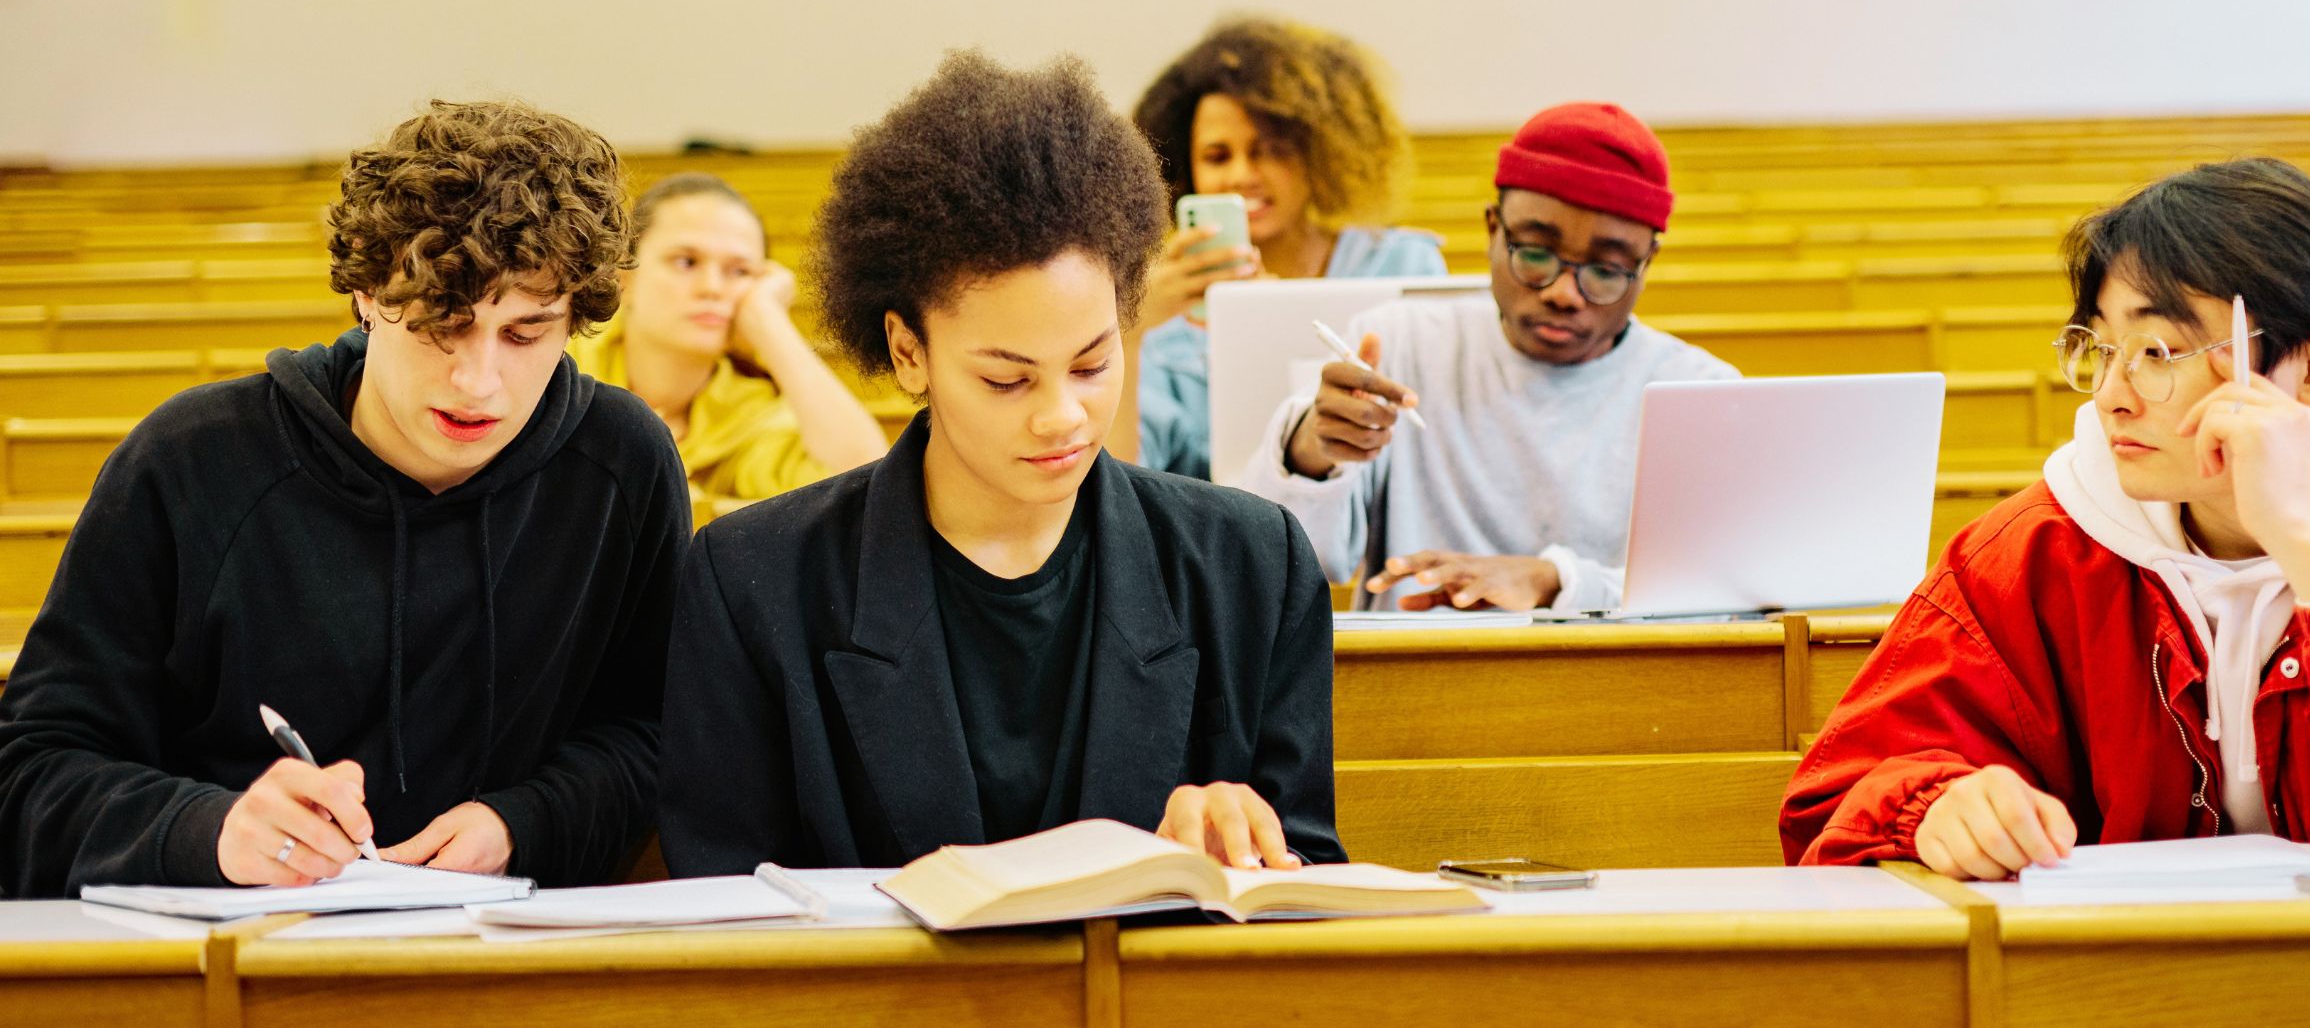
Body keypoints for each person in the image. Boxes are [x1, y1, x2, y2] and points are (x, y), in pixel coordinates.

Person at [657, 52, 1345, 877]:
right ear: (908, 353)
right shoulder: (755, 581)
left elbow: (1308, 882)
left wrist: (1246, 844)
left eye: (1092, 364)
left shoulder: (1250, 565)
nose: (1062, 415)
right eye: (1006, 378)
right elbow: (724, 912)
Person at [1782, 158, 2310, 878]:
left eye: (2156, 353)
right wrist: (1938, 808)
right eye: (2102, 347)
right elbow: (1842, 791)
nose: (2112, 394)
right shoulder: (2036, 551)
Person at [0, 101, 688, 897]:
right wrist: (210, 831)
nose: (478, 381)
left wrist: (525, 823)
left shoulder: (621, 463)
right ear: (367, 293)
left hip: (504, 958)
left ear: (576, 319)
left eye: (526, 334)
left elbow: (659, 733)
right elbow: (32, 772)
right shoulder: (190, 460)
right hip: (227, 963)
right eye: (442, 323)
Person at [1233, 102, 1737, 612]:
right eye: (1536, 253)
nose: (1564, 292)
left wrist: (1555, 581)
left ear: (1647, 263)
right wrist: (1314, 450)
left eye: (1606, 270)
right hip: (1414, 678)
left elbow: (1731, 592)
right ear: (1493, 229)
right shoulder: (1397, 344)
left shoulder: (1700, 391)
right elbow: (1275, 560)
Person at [1111, 17, 1447, 480]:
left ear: (1320, 154)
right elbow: (1122, 481)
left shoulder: (1401, 265)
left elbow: (1438, 440)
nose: (1242, 174)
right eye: (1217, 156)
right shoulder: (1165, 316)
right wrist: (1131, 328)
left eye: (1270, 150)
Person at [569, 173, 887, 501]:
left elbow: (862, 478)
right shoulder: (561, 362)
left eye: (740, 271)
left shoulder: (743, 413)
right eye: (686, 261)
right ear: (626, 276)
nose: (713, 287)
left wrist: (768, 321)